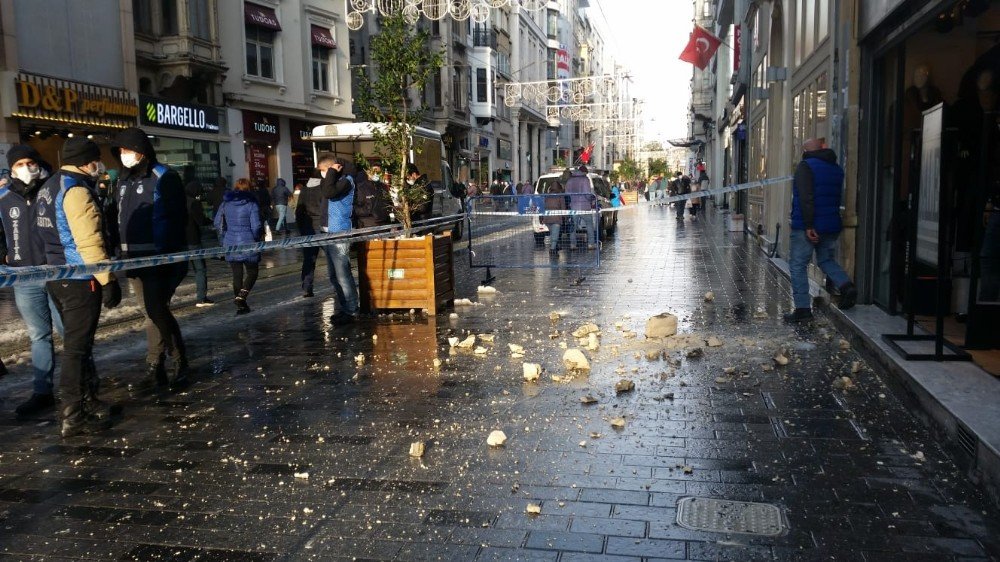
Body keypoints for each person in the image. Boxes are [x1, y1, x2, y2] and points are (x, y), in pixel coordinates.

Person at [34, 138, 122, 437]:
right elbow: (89, 241)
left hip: (56, 275)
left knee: (78, 346)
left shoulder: (49, 186)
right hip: (80, 279)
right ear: (87, 161)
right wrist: (107, 279)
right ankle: (72, 414)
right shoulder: (75, 190)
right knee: (76, 348)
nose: (100, 165)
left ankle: (87, 400)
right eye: (97, 159)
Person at [113, 127, 190, 390]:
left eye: (129, 150)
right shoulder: (123, 182)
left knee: (156, 310)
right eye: (121, 151)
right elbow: (119, 218)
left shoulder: (164, 177)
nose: (125, 155)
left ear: (142, 151)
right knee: (150, 313)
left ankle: (177, 360)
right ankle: (156, 364)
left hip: (159, 259)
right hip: (133, 259)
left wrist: (173, 256)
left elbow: (177, 218)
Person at [0, 145, 64, 418]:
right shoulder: (3, 197)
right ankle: (42, 392)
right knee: (39, 335)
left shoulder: (51, 191)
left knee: (69, 331)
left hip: (57, 272)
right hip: (24, 275)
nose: (26, 168)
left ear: (38, 164)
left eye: (30, 162)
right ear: (12, 168)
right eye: (20, 164)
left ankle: (84, 385)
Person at [785, 137, 858, 323]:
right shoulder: (836, 169)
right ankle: (846, 286)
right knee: (825, 259)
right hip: (831, 223)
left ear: (806, 151)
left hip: (807, 226)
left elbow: (805, 198)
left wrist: (809, 225)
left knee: (798, 265)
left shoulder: (805, 166)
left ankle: (802, 309)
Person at [319, 156, 360, 324]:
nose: (322, 174)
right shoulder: (335, 181)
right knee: (333, 275)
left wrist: (330, 172)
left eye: (323, 170)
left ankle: (351, 310)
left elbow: (329, 192)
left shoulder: (346, 181)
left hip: (340, 232)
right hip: (327, 232)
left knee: (342, 273)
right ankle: (345, 307)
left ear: (334, 168)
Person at [214, 178, 262, 314]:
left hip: (230, 241)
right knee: (253, 271)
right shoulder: (251, 204)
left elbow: (217, 222)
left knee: (237, 274)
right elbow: (257, 225)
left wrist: (224, 236)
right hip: (248, 241)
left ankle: (241, 303)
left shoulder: (225, 203)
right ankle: (241, 297)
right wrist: (255, 237)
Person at [185, 179, 213, 307]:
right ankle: (201, 298)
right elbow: (200, 221)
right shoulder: (194, 203)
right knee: (200, 269)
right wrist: (209, 221)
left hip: (181, 240)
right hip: (193, 239)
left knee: (179, 271)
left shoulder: (179, 201)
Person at [565, 165, 597, 250]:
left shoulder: (570, 180)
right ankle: (591, 244)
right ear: (585, 172)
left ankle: (573, 244)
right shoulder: (585, 180)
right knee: (589, 225)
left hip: (573, 206)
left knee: (573, 226)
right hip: (584, 206)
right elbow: (587, 193)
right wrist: (591, 199)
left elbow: (567, 194)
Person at [354, 162, 392, 228]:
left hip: (384, 224)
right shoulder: (360, 187)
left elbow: (389, 203)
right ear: (368, 172)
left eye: (379, 172)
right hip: (367, 224)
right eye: (374, 171)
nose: (376, 174)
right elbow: (354, 207)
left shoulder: (383, 187)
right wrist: (368, 210)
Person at [542, 180, 566, 254]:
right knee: (555, 235)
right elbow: (563, 208)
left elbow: (542, 207)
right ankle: (552, 249)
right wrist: (564, 217)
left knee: (553, 233)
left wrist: (541, 217)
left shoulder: (546, 196)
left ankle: (555, 246)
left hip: (547, 218)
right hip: (556, 218)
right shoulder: (560, 196)